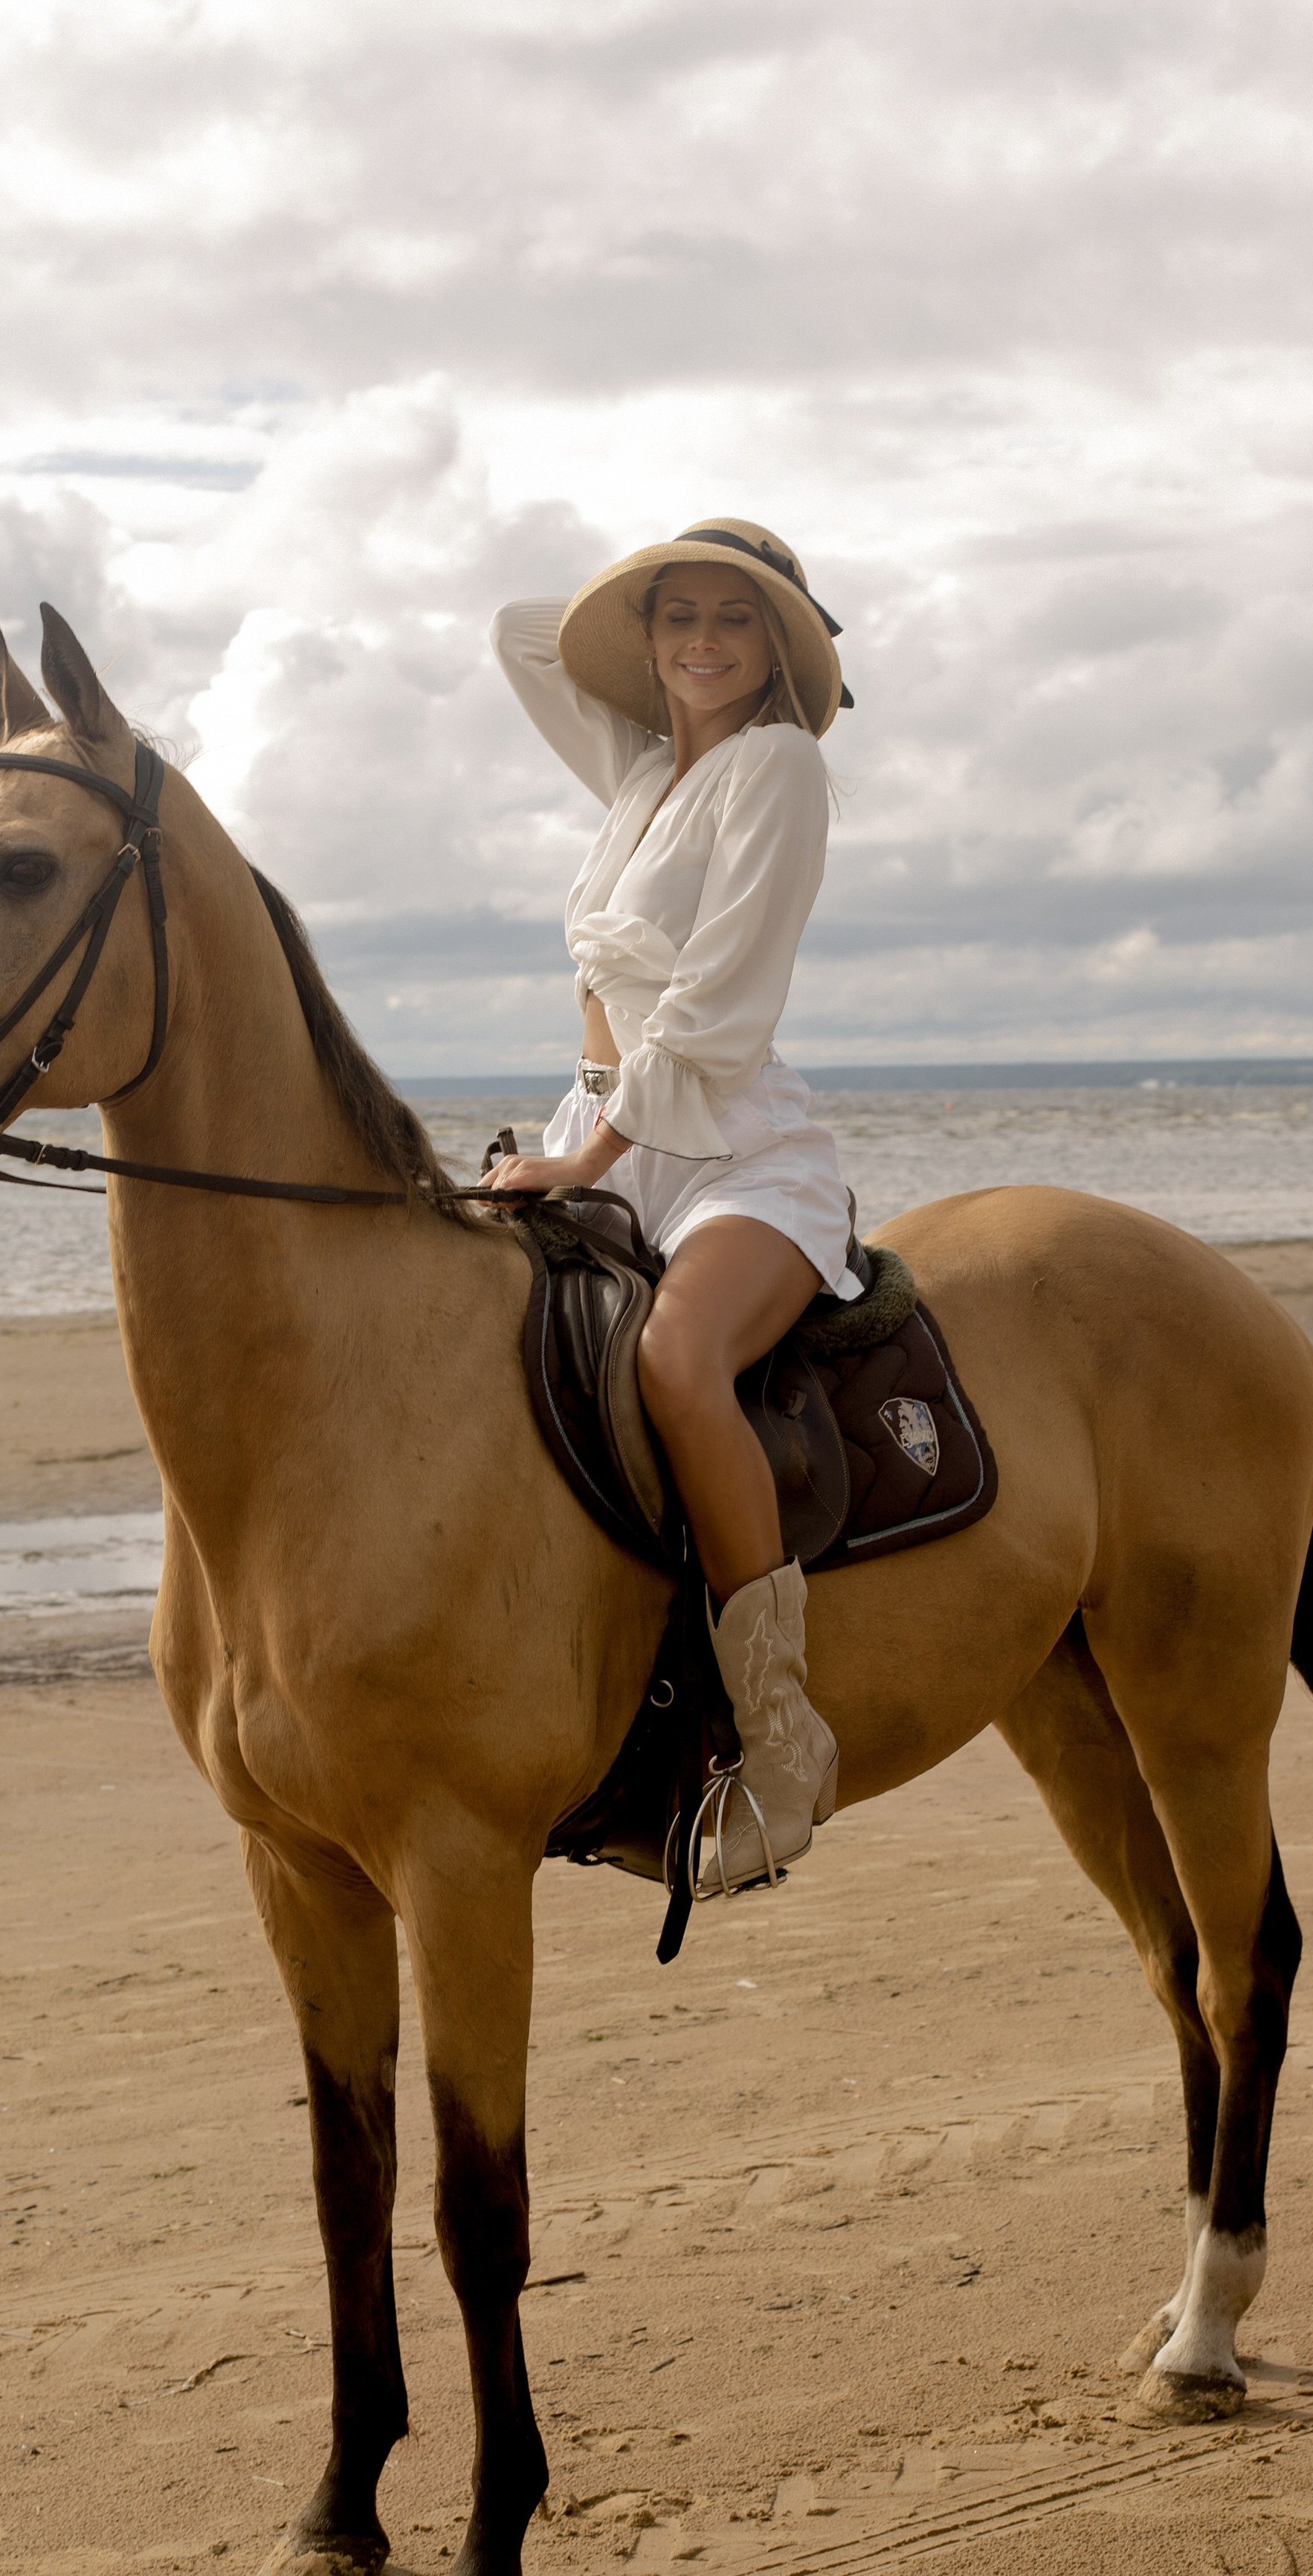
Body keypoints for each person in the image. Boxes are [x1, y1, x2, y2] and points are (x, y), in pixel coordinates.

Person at [488, 518, 859, 1896]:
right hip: (605, 1126)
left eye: (737, 620)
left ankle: (779, 1739)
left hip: (734, 1146)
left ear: (781, 648)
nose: (703, 642)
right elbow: (524, 635)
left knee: (676, 1361)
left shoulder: (778, 767)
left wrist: (587, 1166)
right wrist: (643, 590)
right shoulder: (644, 772)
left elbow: (716, 999)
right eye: (678, 617)